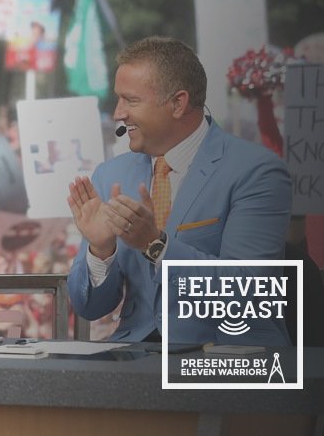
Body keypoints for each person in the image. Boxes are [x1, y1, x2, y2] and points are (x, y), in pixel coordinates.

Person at [66, 36, 292, 345]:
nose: (118, 113)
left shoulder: (256, 171)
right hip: (136, 363)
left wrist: (155, 245)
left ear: (178, 103)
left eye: (130, 100)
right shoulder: (111, 175)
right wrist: (100, 251)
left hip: (227, 361)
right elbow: (89, 307)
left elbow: (248, 293)